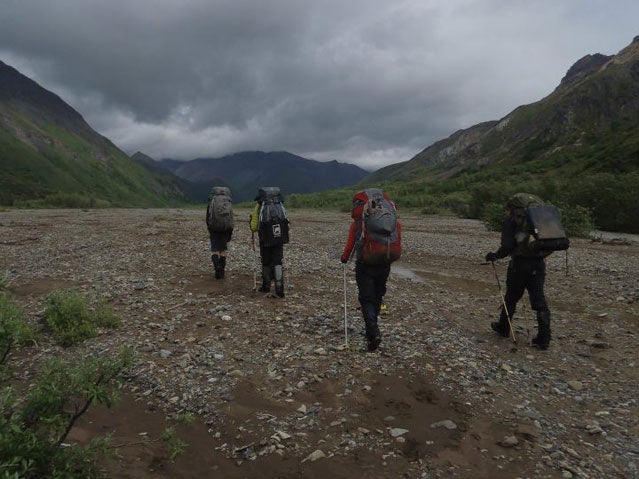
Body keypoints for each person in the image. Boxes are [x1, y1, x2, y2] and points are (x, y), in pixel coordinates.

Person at [485, 194, 553, 350]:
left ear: (512, 207)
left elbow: (508, 246)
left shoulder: (514, 219)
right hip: (539, 264)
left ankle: (503, 328)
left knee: (511, 297)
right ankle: (544, 338)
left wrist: (494, 256)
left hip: (519, 265)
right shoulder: (540, 217)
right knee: (539, 300)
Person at [340, 189, 401, 351]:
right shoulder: (391, 221)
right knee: (378, 294)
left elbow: (350, 245)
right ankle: (371, 328)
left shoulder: (359, 224)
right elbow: (397, 237)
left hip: (365, 263)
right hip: (385, 261)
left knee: (366, 298)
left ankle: (373, 332)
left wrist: (344, 259)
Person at [250, 187, 289, 298]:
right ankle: (279, 288)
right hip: (279, 238)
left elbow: (253, 227)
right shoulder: (280, 204)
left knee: (266, 261)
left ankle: (266, 286)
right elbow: (287, 222)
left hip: (265, 238)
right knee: (278, 261)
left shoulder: (260, 205)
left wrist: (252, 224)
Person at [206, 186, 234, 279]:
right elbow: (231, 218)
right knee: (223, 249)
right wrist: (230, 232)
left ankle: (217, 266)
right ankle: (221, 270)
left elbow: (208, 217)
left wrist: (210, 228)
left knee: (215, 250)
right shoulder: (228, 201)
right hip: (226, 228)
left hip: (214, 228)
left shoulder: (212, 201)